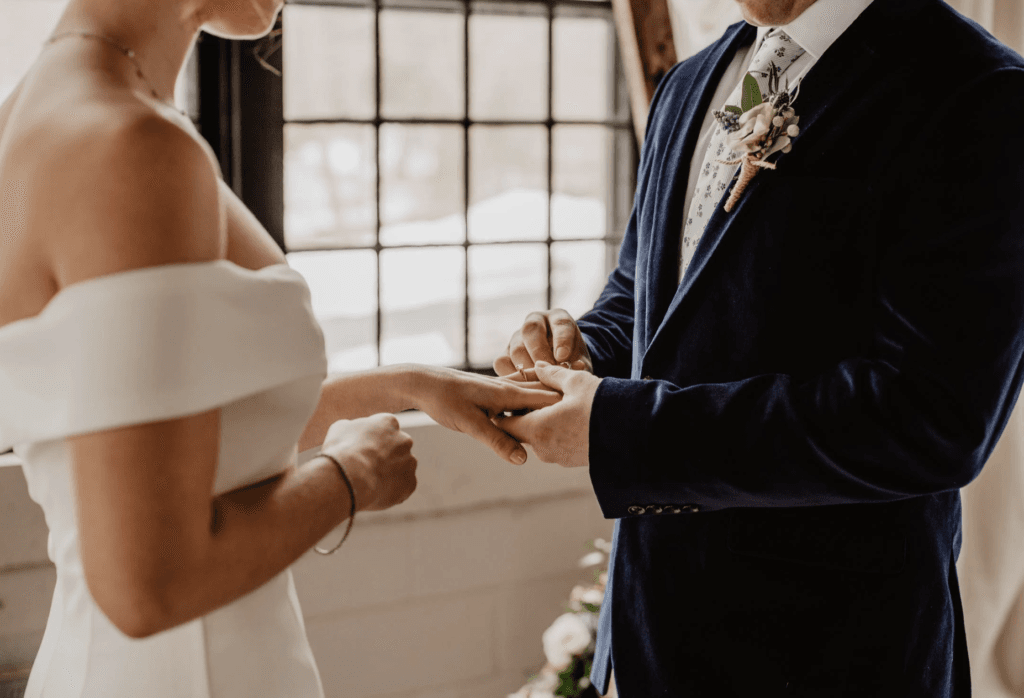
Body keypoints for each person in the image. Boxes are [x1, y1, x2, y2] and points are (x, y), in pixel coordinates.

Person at [0, 0, 560, 695]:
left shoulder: (54, 111)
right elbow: (150, 585)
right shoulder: (130, 147)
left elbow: (185, 444)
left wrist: (410, 387)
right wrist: (351, 477)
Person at [494, 0, 1024, 695]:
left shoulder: (977, 93)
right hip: (648, 637)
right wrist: (583, 348)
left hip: (834, 656)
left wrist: (621, 429)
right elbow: (649, 291)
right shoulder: (689, 82)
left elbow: (930, 418)